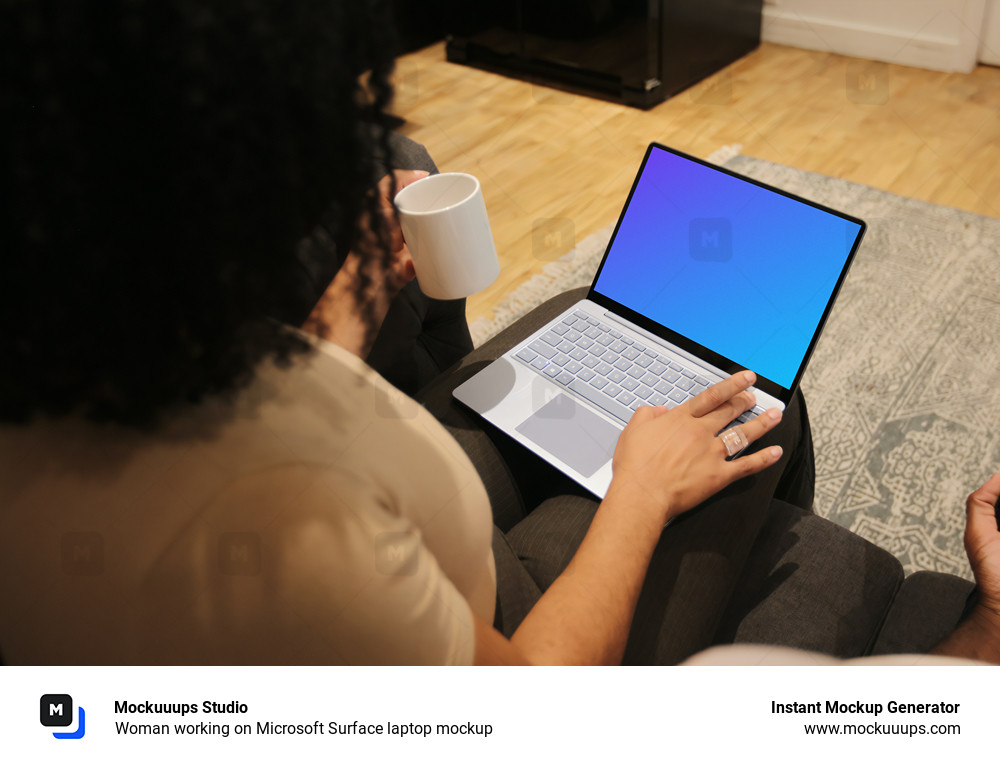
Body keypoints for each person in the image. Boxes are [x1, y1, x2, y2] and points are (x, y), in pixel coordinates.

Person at [0, 0, 994, 666]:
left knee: (580, 321)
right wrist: (641, 493)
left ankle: (724, 513)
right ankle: (762, 569)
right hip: (512, 627)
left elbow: (260, 395)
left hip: (398, 501)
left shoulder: (92, 351)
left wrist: (345, 305)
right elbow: (519, 710)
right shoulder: (275, 520)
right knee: (755, 409)